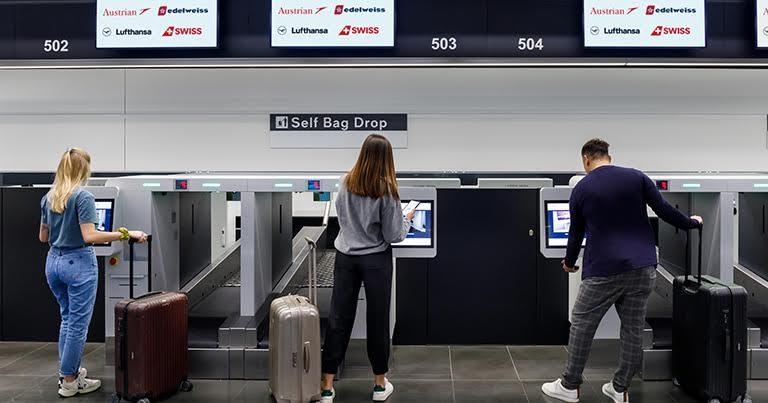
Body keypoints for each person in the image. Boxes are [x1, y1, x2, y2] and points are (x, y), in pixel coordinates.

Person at [541, 139, 702, 403]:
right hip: (643, 266)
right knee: (632, 329)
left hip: (604, 268)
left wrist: (569, 263)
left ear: (586, 159)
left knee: (582, 324)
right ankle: (620, 388)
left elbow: (575, 233)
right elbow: (664, 211)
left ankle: (569, 386)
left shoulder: (582, 188)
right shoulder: (637, 178)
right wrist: (691, 223)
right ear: (609, 156)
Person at [39, 148, 147, 398]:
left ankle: (69, 372)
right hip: (78, 263)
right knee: (77, 325)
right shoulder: (83, 197)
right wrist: (125, 233)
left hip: (53, 262)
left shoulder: (49, 197)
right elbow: (90, 236)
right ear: (83, 170)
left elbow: (43, 236)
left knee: (67, 318)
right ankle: (69, 381)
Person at [320, 134, 414, 402]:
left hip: (346, 257)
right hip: (376, 260)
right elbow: (394, 234)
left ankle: (327, 385)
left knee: (338, 318)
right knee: (377, 319)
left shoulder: (345, 181)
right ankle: (379, 385)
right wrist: (406, 218)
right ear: (387, 159)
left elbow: (342, 216)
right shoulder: (386, 189)